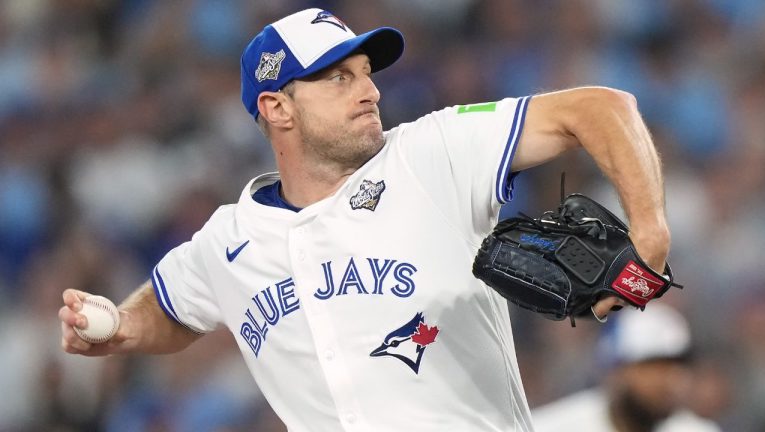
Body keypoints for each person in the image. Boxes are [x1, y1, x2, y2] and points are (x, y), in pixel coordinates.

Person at [60, 8, 672, 431]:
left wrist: (650, 235)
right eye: (338, 78)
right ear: (277, 107)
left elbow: (599, 107)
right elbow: (171, 310)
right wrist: (117, 324)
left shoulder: (431, 153)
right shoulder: (229, 240)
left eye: (367, 74)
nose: (369, 90)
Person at [532, 304, 720, 432]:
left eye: (676, 367)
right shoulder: (553, 426)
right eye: (654, 367)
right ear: (616, 370)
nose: (670, 380)